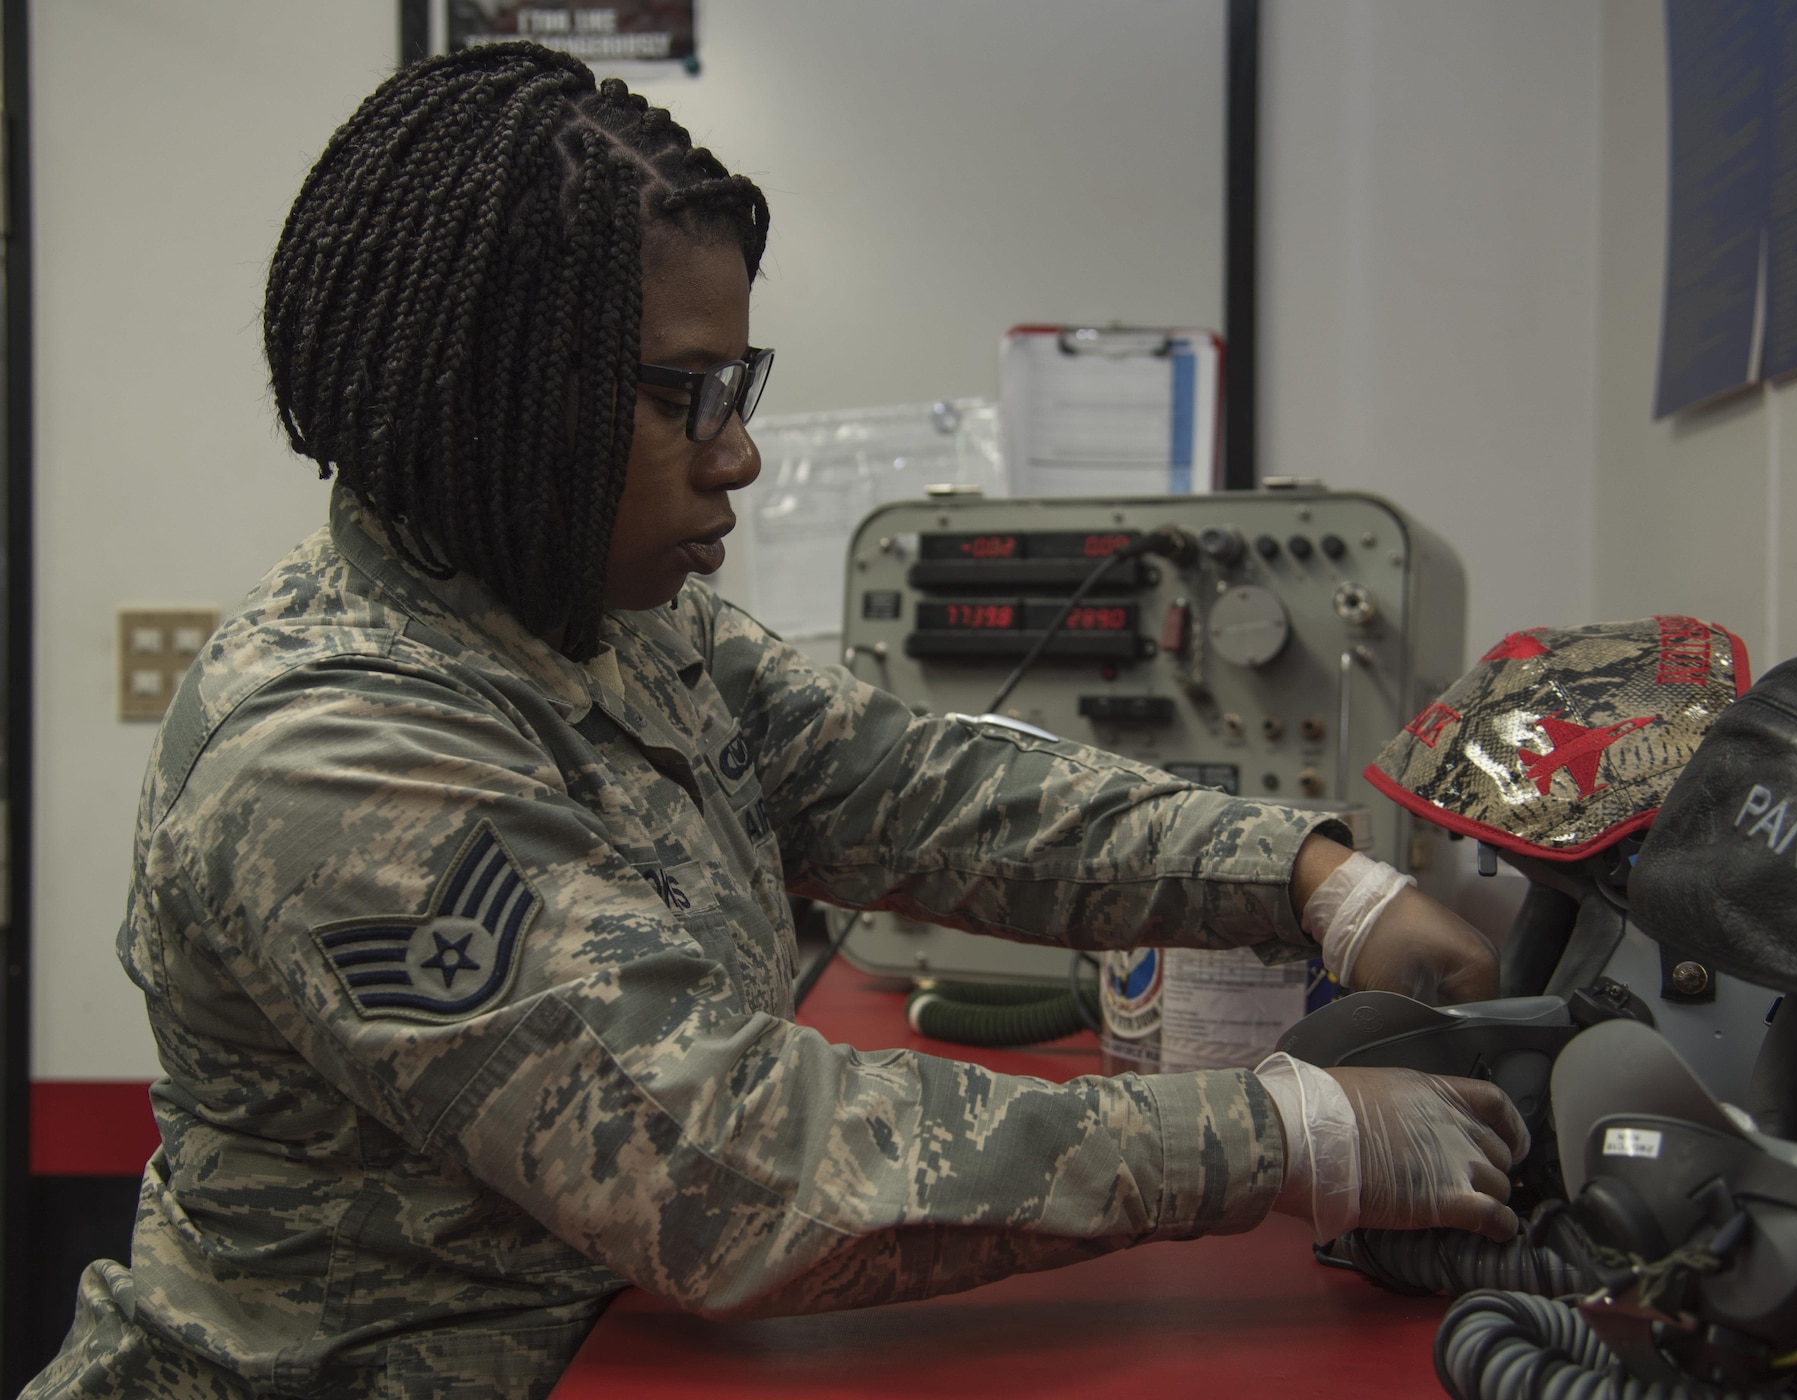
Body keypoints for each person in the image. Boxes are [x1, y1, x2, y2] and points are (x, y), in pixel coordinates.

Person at [28, 44, 1526, 1400]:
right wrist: (1287, 1136)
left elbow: (922, 788)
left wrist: (1317, 881)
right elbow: (731, 1170)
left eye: (737, 385)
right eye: (686, 394)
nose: (737, 452)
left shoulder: (606, 621)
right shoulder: (329, 751)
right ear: (506, 396)